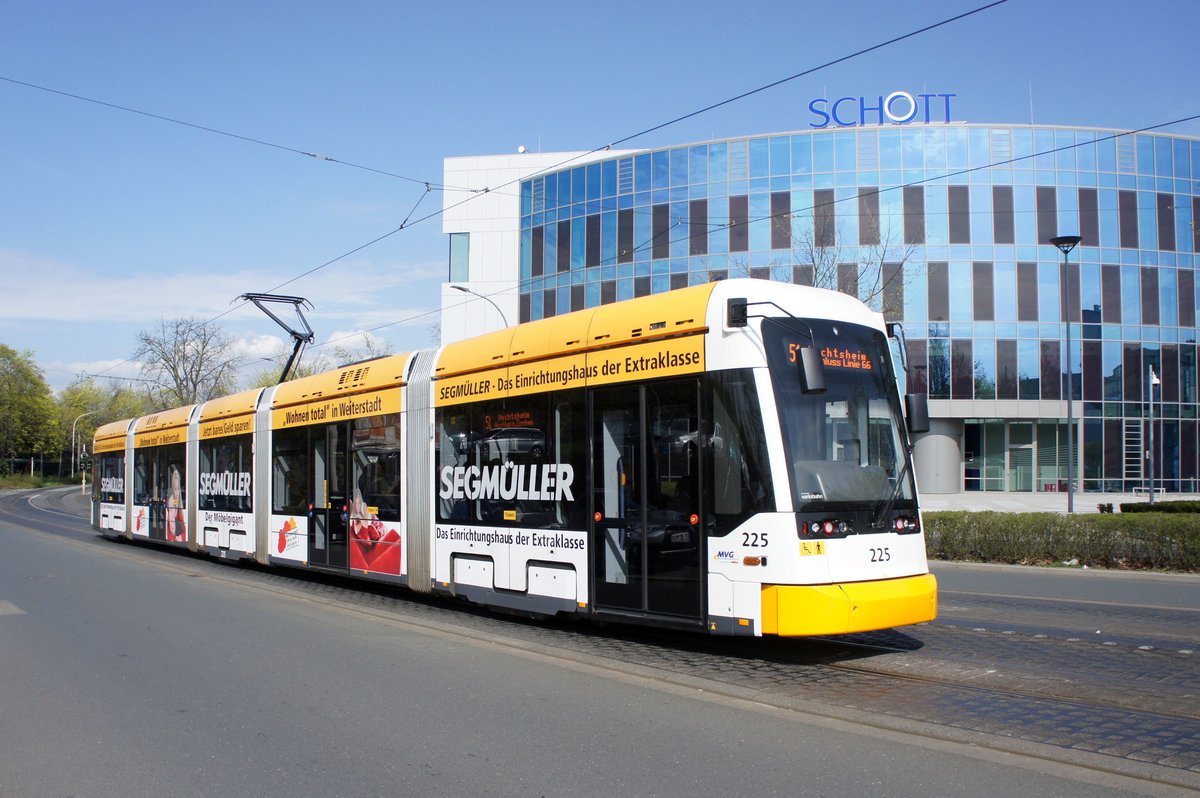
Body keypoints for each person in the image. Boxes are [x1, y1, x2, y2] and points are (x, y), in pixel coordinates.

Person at [165, 465, 186, 542]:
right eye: (175, 489)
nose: (176, 492)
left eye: (178, 489)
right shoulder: (171, 500)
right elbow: (171, 520)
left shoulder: (180, 503)